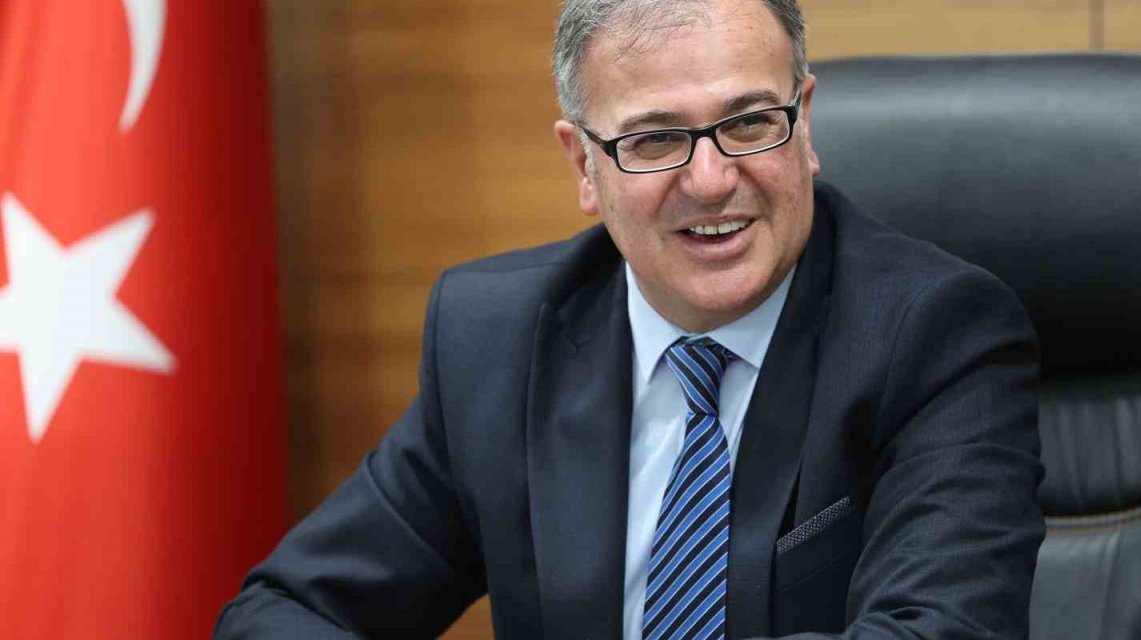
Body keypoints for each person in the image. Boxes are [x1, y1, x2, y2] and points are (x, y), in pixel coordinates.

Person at [215, 0, 1045, 637]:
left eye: (750, 123)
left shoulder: (936, 336)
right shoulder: (498, 337)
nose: (712, 181)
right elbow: (287, 611)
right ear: (584, 164)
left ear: (804, 124)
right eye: (654, 141)